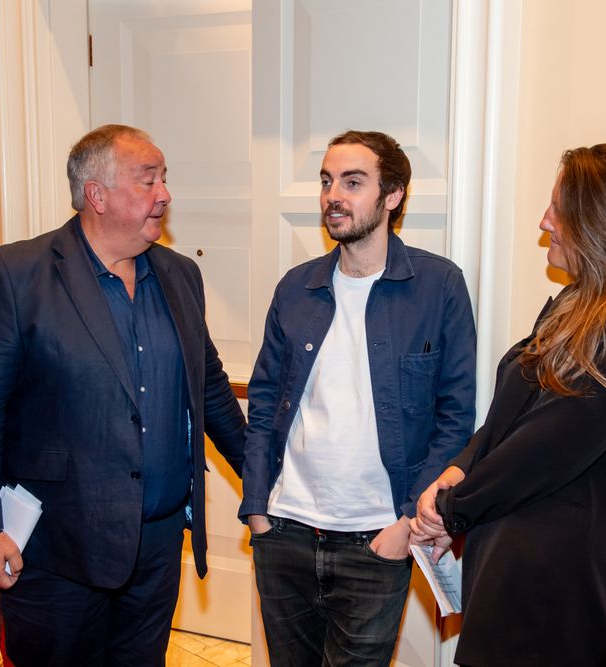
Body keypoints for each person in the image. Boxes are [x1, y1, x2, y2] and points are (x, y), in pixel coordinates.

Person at [0, 124, 247, 666]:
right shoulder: (16, 275)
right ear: (97, 194)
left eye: (164, 178)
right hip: (57, 548)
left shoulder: (181, 275)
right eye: (148, 180)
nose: (165, 194)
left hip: (157, 545)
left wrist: (264, 481)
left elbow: (209, 388)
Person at [412, 142, 606, 666]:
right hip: (514, 576)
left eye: (559, 210)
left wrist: (452, 511)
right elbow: (514, 416)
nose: (545, 222)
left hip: (558, 600)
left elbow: (541, 450)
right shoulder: (577, 302)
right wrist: (460, 468)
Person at [240, 130, 476, 666]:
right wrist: (257, 510)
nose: (333, 196)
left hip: (378, 539)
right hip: (285, 532)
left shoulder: (438, 286)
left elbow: (455, 418)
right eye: (326, 182)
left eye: (352, 182)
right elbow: (265, 401)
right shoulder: (295, 287)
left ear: (392, 195)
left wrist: (406, 526)